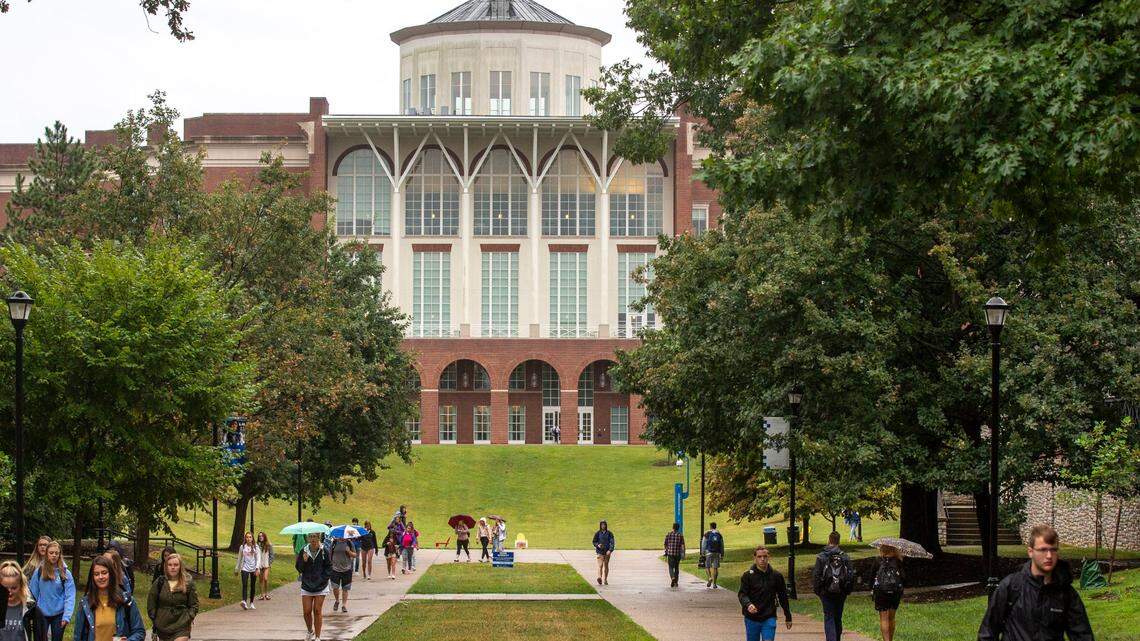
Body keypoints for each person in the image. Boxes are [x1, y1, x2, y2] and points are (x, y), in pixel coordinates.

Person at [978, 524, 1094, 641]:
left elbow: (1082, 635)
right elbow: (988, 633)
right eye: (1043, 550)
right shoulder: (1011, 586)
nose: (1049, 556)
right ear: (1030, 552)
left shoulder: (1066, 593)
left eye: (1053, 550)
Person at [72, 555, 145, 641]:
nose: (101, 577)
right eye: (96, 574)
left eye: (104, 572)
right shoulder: (85, 603)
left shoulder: (126, 601)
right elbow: (77, 636)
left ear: (111, 574)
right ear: (92, 578)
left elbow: (139, 632)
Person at [738, 545, 792, 641]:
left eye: (765, 556)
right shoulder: (748, 576)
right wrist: (748, 604)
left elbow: (783, 596)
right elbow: (742, 594)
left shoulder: (776, 575)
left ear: (769, 557)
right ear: (754, 558)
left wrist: (788, 616)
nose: (762, 559)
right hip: (752, 618)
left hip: (769, 616)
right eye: (759, 557)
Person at [812, 532, 855, 641]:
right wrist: (847, 590)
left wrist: (818, 591)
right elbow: (850, 575)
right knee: (837, 617)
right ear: (838, 541)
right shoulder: (845, 556)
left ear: (829, 540)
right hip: (841, 591)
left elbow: (816, 575)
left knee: (829, 617)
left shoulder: (821, 556)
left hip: (826, 592)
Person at [28, 541, 74, 641]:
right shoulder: (39, 571)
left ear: (59, 554)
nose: (54, 555)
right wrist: (32, 612)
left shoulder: (65, 573)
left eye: (56, 553)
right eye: (51, 553)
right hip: (41, 612)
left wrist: (67, 616)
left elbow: (70, 596)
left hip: (59, 613)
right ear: (47, 554)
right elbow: (32, 593)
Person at [147, 553, 198, 641]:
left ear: (180, 566)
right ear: (166, 566)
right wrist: (156, 619)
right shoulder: (160, 582)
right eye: (170, 565)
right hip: (163, 626)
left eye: (176, 565)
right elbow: (151, 604)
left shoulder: (188, 583)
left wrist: (189, 617)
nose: (173, 567)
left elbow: (194, 604)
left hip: (181, 625)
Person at [296, 533, 331, 641]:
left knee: (317, 610)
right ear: (308, 538)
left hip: (321, 585)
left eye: (315, 537)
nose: (313, 539)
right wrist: (304, 561)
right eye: (310, 537)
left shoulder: (324, 550)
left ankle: (318, 636)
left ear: (318, 537)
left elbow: (329, 567)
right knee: (307, 611)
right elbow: (299, 568)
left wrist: (323, 578)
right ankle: (309, 631)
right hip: (307, 584)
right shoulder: (304, 550)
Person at [2, 560, 48, 641]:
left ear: (21, 585)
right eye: (5, 588)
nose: (9, 592)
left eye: (13, 588)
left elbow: (41, 636)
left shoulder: (31, 609)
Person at [870, 544, 904, 641]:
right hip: (895, 592)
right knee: (891, 618)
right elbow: (904, 577)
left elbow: (871, 576)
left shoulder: (878, 560)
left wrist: (871, 588)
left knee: (884, 618)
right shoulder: (898, 561)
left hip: (881, 592)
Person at [328, 536, 356, 614]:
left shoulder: (349, 543)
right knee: (335, 587)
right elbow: (329, 554)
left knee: (345, 588)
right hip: (335, 569)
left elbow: (354, 555)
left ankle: (344, 605)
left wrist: (349, 551)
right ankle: (337, 600)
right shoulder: (334, 543)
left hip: (347, 569)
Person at [234, 531, 259, 610]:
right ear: (245, 538)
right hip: (244, 568)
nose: (248, 539)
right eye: (247, 537)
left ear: (252, 538)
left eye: (250, 537)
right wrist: (237, 569)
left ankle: (251, 602)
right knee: (244, 584)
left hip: (253, 569)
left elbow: (258, 558)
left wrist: (257, 568)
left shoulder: (256, 547)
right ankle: (244, 601)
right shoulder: (242, 547)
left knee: (252, 585)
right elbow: (239, 558)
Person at [592, 520, 615, 586]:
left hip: (607, 552)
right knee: (600, 565)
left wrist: (610, 550)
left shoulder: (610, 533)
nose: (603, 526)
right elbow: (594, 541)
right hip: (600, 551)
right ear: (600, 525)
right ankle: (599, 577)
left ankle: (605, 579)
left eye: (604, 525)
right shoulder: (598, 533)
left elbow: (612, 543)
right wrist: (597, 545)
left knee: (606, 565)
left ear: (606, 525)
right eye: (602, 525)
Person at [663, 523, 685, 588]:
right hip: (677, 554)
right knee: (676, 567)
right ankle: (676, 582)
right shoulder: (680, 535)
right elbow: (682, 546)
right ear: (678, 528)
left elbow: (665, 544)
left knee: (670, 567)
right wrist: (683, 553)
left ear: (672, 527)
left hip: (670, 553)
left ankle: (672, 578)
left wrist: (667, 550)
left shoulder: (668, 534)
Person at [703, 522, 725, 589]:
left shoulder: (707, 533)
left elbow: (704, 543)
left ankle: (709, 578)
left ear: (710, 527)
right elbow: (722, 545)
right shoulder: (719, 534)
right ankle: (715, 584)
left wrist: (702, 552)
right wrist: (722, 554)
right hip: (717, 553)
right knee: (715, 568)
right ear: (716, 526)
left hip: (709, 552)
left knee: (707, 566)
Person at [256, 532, 275, 601]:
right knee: (260, 580)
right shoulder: (257, 545)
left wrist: (269, 563)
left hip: (266, 565)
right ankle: (262, 595)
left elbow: (272, 556)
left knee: (265, 578)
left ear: (264, 537)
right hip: (260, 565)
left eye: (262, 536)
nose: (260, 537)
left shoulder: (269, 545)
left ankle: (266, 593)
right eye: (259, 536)